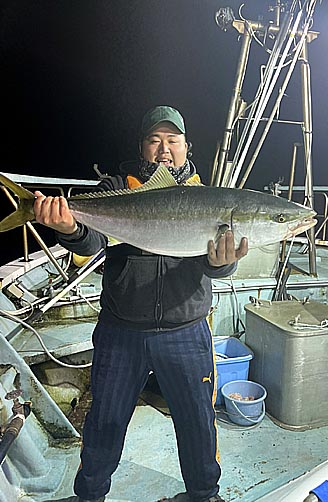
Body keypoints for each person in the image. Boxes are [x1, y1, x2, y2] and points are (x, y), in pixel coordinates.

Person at [34, 106, 248, 502]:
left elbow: (212, 266)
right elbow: (93, 241)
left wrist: (224, 264)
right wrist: (69, 228)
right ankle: (90, 495)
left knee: (198, 421)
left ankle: (204, 494)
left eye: (173, 140)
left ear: (187, 147)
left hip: (185, 330)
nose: (164, 149)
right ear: (142, 147)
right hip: (121, 330)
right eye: (155, 140)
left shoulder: (207, 198)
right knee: (105, 421)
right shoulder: (117, 188)